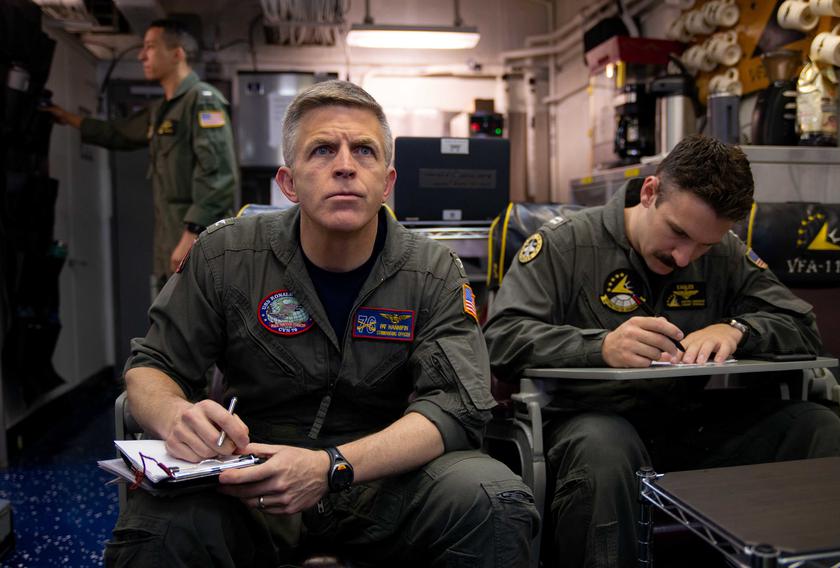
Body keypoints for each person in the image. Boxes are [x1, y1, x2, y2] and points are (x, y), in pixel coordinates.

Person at [104, 80, 538, 567]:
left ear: (387, 182)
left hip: (381, 476)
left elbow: (457, 407)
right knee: (158, 529)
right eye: (323, 150)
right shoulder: (226, 255)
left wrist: (332, 467)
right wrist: (172, 415)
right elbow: (152, 365)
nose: (346, 165)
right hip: (251, 479)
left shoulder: (432, 270)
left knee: (493, 498)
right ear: (288, 182)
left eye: (365, 151)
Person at [483, 135, 840, 568]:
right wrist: (600, 347)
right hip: (590, 421)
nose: (684, 256)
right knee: (605, 446)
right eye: (678, 233)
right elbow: (501, 339)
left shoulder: (726, 254)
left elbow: (803, 326)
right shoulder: (566, 246)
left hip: (689, 420)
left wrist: (738, 330)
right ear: (650, 192)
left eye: (704, 246)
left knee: (813, 425)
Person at [44, 19, 237, 291]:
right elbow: (119, 133)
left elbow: (217, 174)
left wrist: (192, 233)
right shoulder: (161, 111)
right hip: (169, 238)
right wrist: (68, 118)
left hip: (197, 240)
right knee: (166, 323)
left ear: (177, 53)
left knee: (197, 325)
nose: (141, 55)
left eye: (149, 47)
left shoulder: (202, 100)